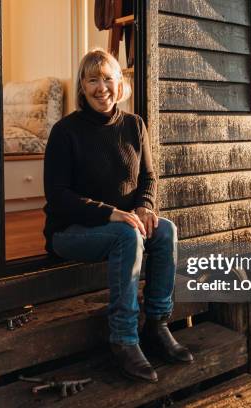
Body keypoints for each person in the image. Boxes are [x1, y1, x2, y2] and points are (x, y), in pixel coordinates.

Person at [43, 48, 193, 383]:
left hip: (123, 223)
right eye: (92, 79)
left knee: (165, 230)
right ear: (82, 86)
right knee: (128, 236)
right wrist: (111, 213)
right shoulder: (65, 131)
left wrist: (145, 206)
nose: (101, 87)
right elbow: (58, 197)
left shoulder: (134, 125)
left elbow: (149, 179)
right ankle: (124, 339)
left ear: (119, 83)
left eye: (108, 78)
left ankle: (157, 324)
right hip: (71, 231)